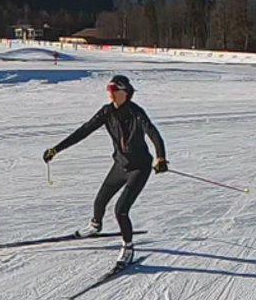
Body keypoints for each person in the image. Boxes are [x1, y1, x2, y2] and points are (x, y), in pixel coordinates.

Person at [43, 75, 167, 267]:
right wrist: (56, 149)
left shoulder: (136, 112)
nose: (110, 92)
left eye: (114, 89)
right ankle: (95, 225)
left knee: (121, 210)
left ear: (125, 92)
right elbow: (83, 131)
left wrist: (160, 157)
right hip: (120, 165)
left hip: (139, 168)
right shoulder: (107, 112)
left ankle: (128, 246)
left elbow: (153, 133)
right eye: (109, 89)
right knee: (100, 200)